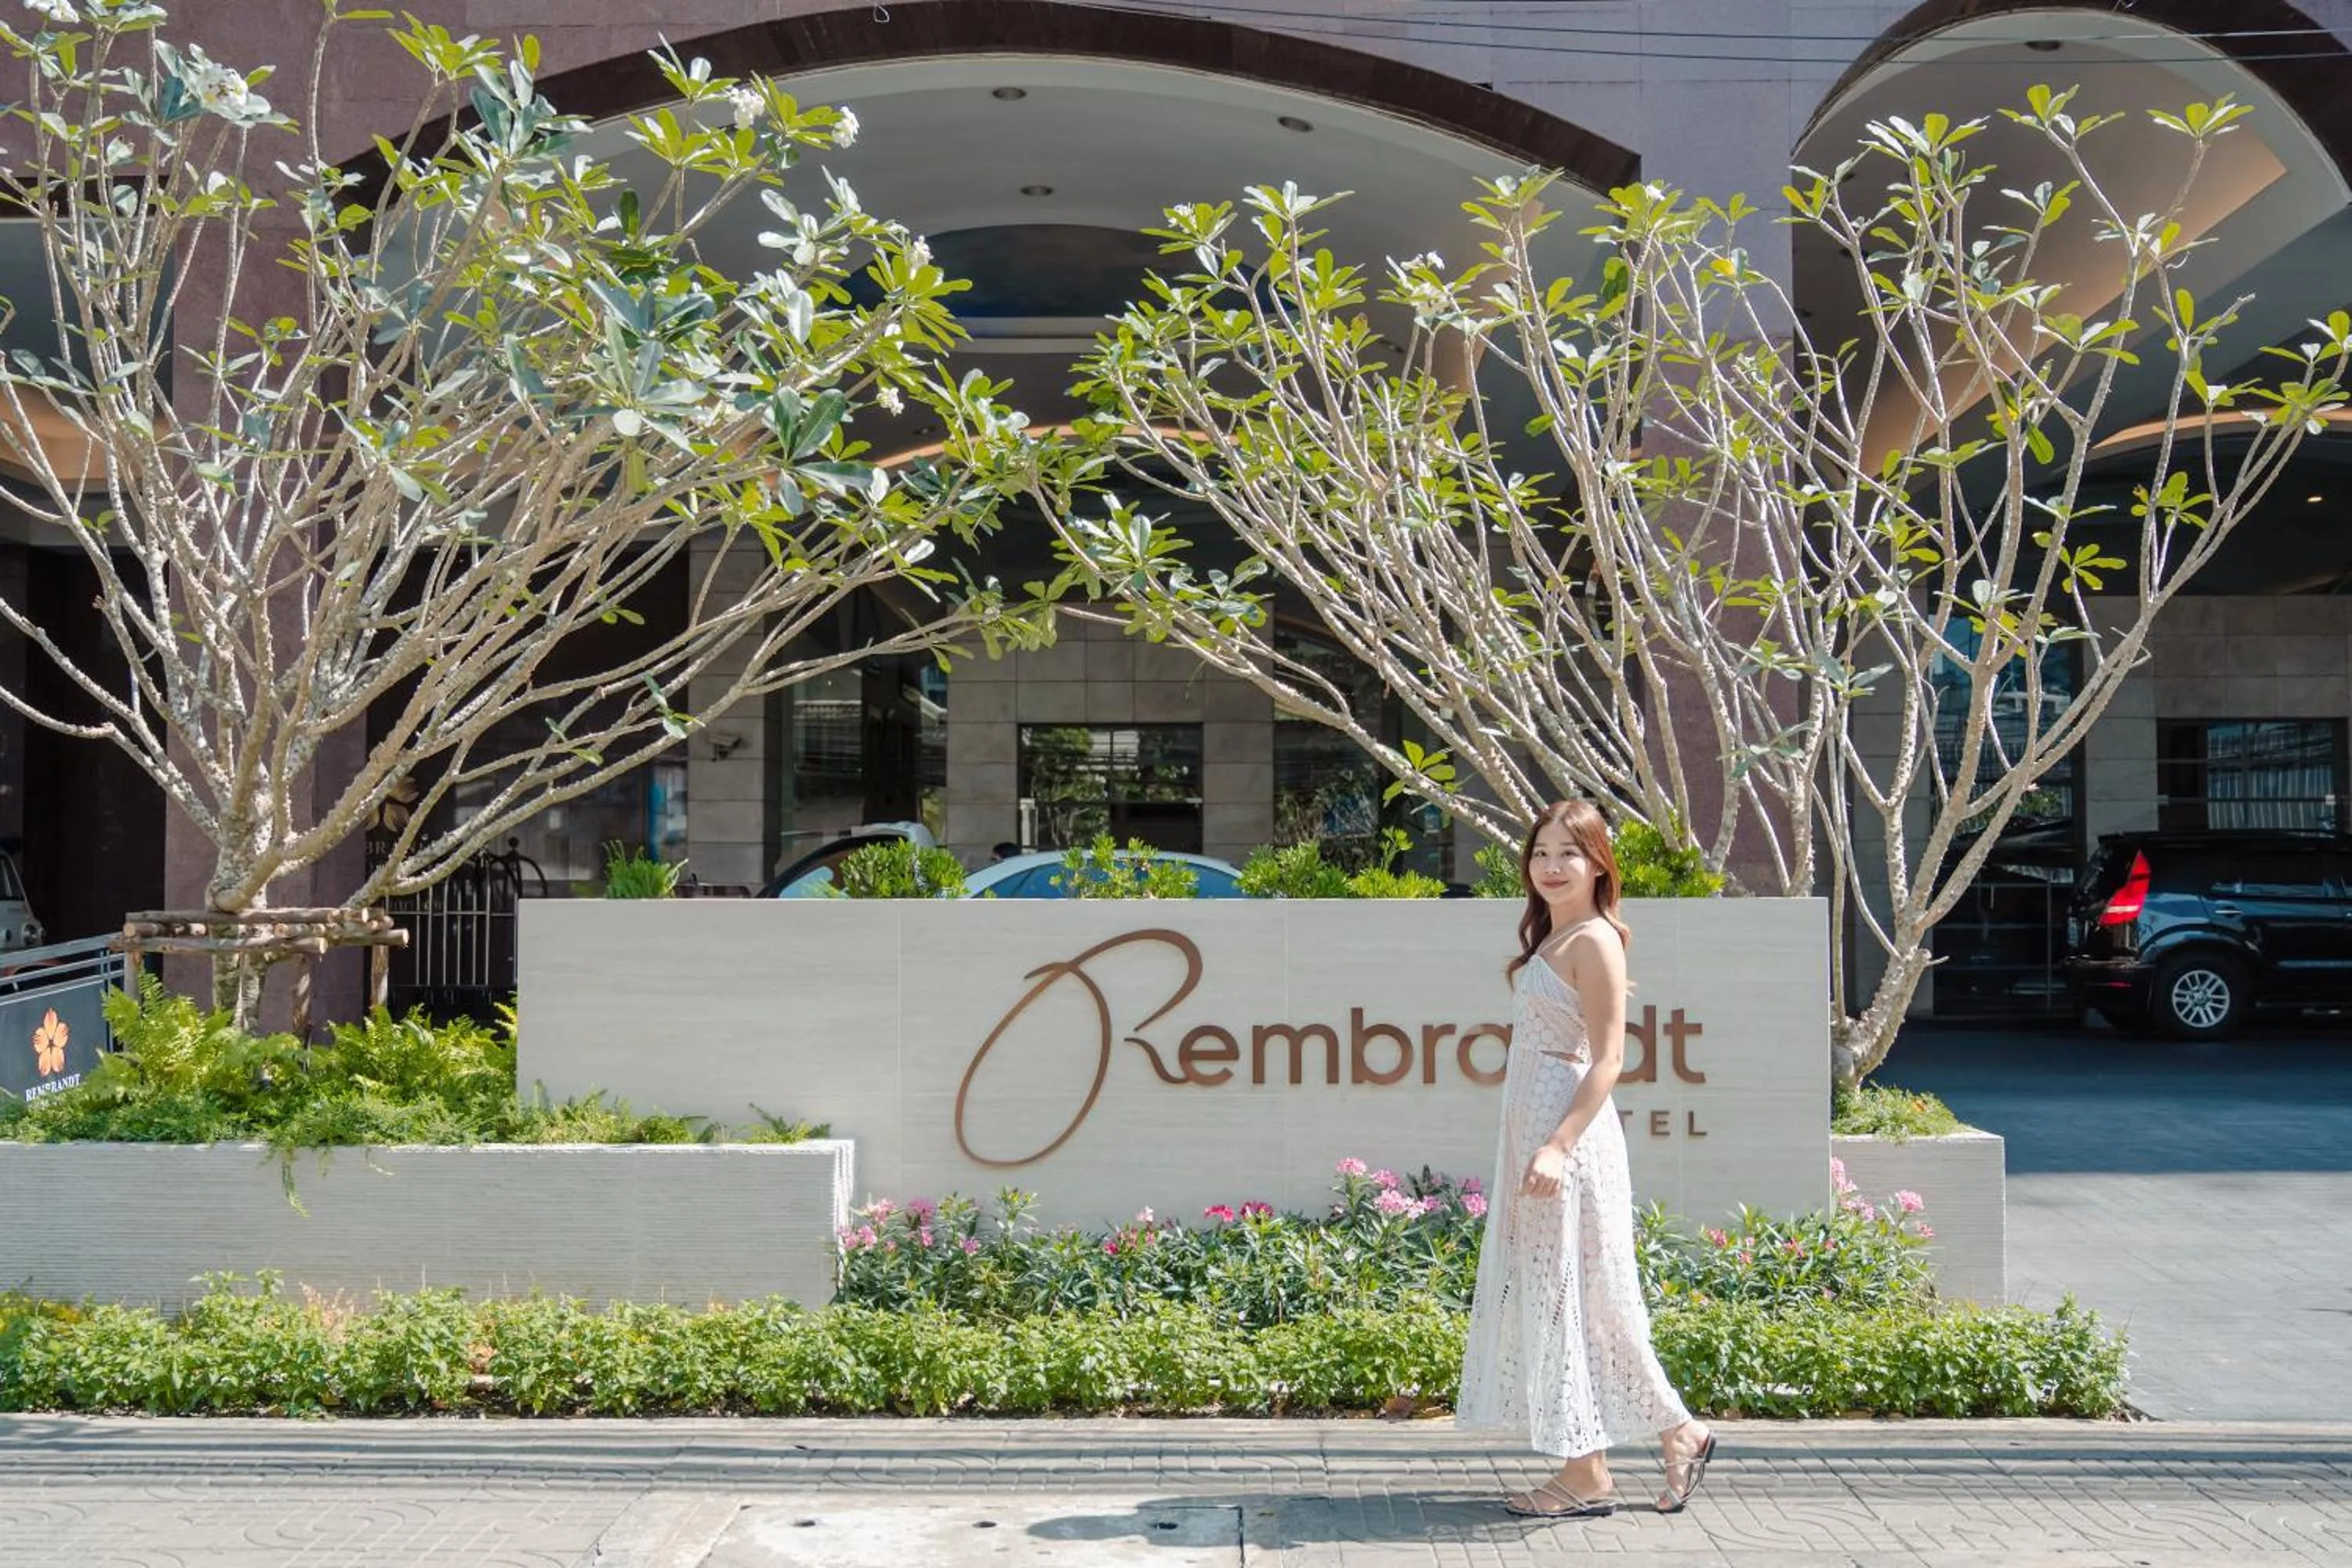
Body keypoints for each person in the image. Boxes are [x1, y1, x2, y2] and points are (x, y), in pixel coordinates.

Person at [1455, 799, 1717, 1519]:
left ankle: (1588, 1472)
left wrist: (1558, 1145)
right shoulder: (1558, 934)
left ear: (1597, 862)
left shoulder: (1596, 940)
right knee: (1575, 1300)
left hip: (1568, 1143)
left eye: (1567, 853)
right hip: (1541, 1138)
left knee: (1578, 1298)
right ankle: (1673, 1435)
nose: (1549, 866)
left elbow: (1607, 1061)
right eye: (1540, 852)